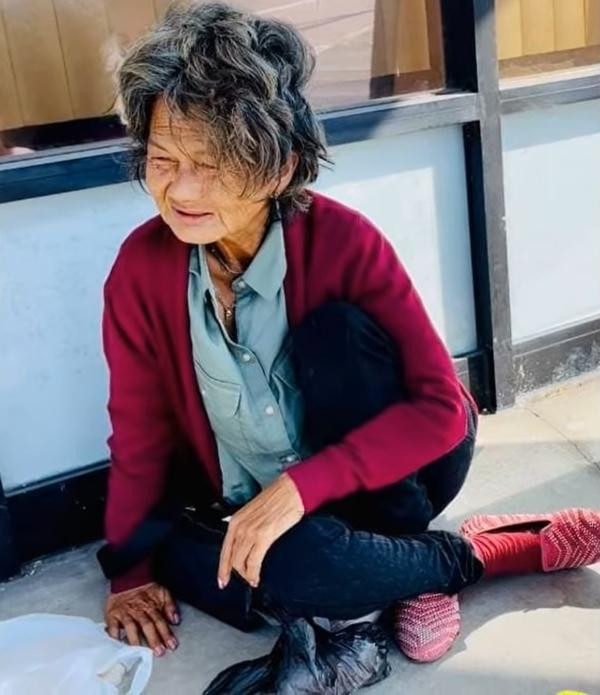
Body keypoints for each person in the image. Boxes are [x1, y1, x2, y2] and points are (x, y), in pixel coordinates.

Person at [99, 1, 600, 670]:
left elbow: (440, 410)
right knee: (259, 566)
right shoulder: (140, 271)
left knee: (334, 335)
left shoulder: (344, 242)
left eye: (212, 164)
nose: (182, 189)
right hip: (270, 499)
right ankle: (416, 568)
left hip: (400, 470)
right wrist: (129, 573)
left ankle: (476, 553)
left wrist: (303, 487)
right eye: (164, 158)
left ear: (279, 167)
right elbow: (139, 432)